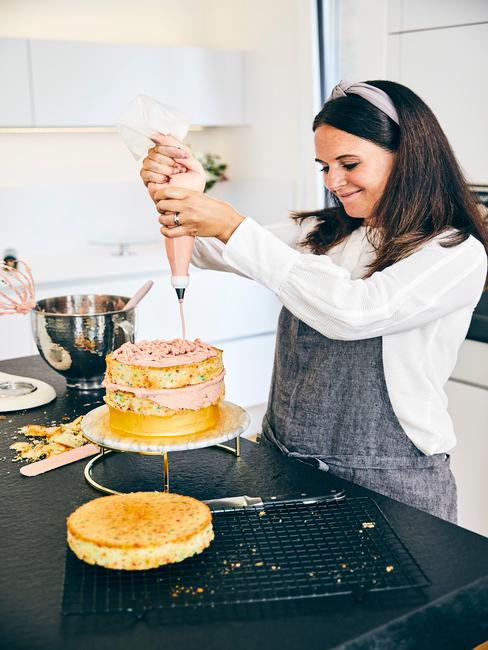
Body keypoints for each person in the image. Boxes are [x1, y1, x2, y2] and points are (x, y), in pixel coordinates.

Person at [140, 80, 488, 522]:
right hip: (285, 463)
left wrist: (232, 225)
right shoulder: (326, 231)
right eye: (324, 166)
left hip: (387, 481)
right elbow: (214, 252)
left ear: (410, 157)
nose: (333, 182)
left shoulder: (452, 250)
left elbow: (355, 312)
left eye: (349, 163)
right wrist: (184, 194)